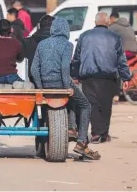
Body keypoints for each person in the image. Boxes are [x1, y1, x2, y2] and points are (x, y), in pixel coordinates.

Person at [31, 17, 101, 159]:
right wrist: (66, 88)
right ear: (66, 30)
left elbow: (34, 69)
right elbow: (64, 68)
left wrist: (41, 87)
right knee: (85, 105)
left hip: (45, 86)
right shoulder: (67, 45)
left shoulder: (42, 44)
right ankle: (81, 141)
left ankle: (71, 129)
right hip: (60, 84)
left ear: (53, 29)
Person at [71, 11, 132, 144]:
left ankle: (97, 133)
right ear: (108, 22)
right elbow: (121, 60)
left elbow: (76, 58)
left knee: (91, 104)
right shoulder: (115, 37)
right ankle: (102, 133)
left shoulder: (84, 36)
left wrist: (75, 75)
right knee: (105, 105)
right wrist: (126, 77)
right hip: (108, 77)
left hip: (88, 76)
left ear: (95, 22)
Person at [0, 19, 24, 85]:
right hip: (11, 76)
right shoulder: (16, 43)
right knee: (26, 85)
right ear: (10, 30)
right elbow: (20, 58)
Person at [22, 15, 55, 80]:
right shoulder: (60, 43)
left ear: (38, 26)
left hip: (32, 79)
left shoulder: (26, 42)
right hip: (53, 80)